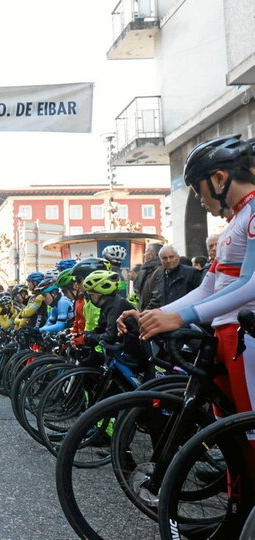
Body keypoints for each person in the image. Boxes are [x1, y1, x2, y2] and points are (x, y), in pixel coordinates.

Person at [120, 134, 255, 427]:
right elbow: (209, 286)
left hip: (245, 336)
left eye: (197, 187)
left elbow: (250, 284)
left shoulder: (252, 213)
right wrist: (157, 314)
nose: (198, 198)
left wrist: (182, 317)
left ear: (219, 178)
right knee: (228, 429)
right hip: (225, 332)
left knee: (249, 433)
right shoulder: (237, 220)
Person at [73, 270, 142, 368]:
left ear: (97, 295)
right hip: (123, 349)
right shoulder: (108, 305)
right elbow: (101, 328)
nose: (89, 298)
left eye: (90, 295)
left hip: (134, 353)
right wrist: (83, 335)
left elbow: (110, 336)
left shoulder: (115, 307)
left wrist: (86, 338)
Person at [133, 243, 164, 311]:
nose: (144, 255)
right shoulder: (148, 271)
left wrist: (146, 312)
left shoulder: (159, 271)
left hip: (151, 314)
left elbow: (157, 297)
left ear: (151, 255)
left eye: (146, 251)